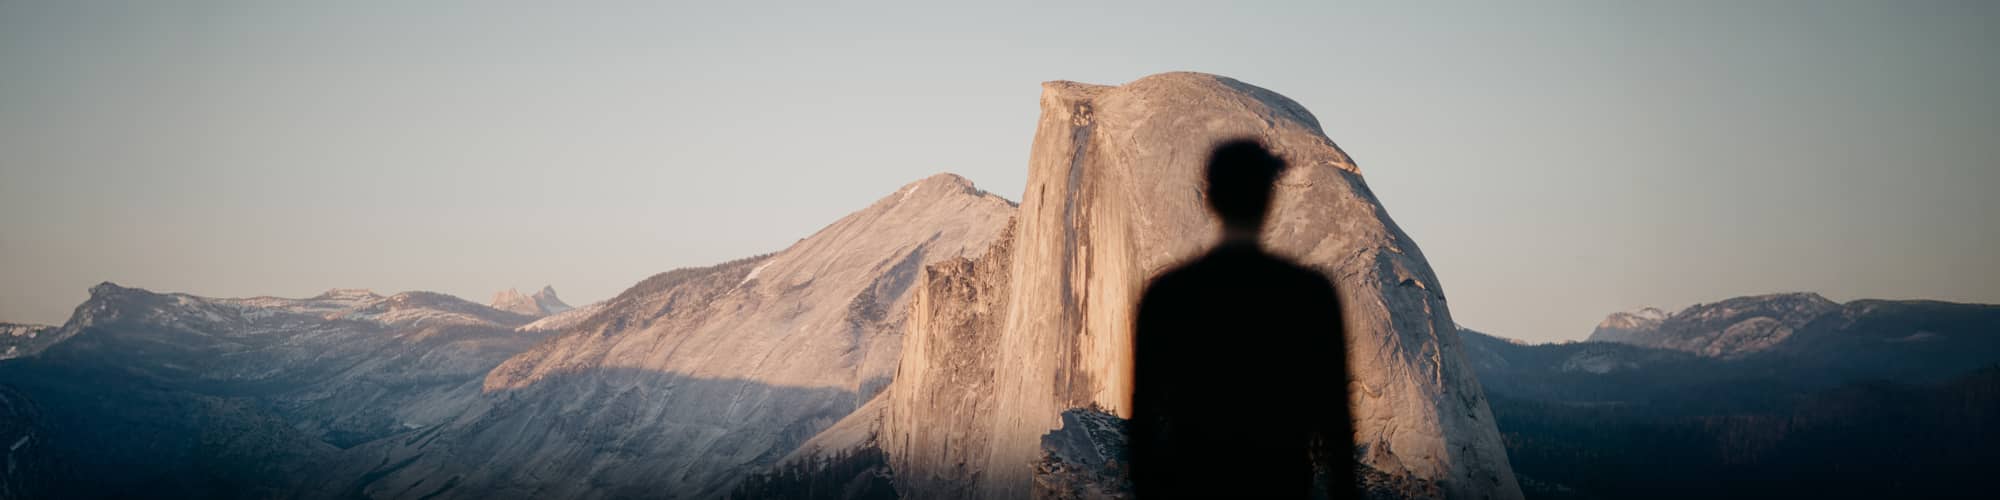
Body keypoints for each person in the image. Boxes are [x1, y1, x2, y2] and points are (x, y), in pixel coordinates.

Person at [1130, 139, 1356, 499]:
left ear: (1209, 198)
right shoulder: (1308, 295)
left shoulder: (1169, 295)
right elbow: (1335, 424)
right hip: (1279, 484)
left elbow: (1143, 425)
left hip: (1194, 482)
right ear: (1268, 200)